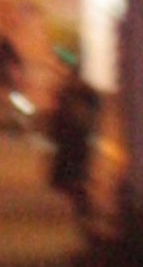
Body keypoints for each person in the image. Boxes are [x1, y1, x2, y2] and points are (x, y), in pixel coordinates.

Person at [41, 59, 103, 215]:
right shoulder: (79, 92)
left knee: (74, 177)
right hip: (74, 141)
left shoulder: (73, 92)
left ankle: (82, 205)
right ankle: (81, 204)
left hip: (74, 141)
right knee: (74, 177)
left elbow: (59, 116)